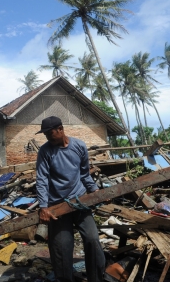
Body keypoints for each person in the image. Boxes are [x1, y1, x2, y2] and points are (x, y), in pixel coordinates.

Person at [35, 116, 105, 282]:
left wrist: (96, 191)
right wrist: (44, 206)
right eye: (44, 134)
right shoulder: (45, 151)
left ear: (60, 129)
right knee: (62, 247)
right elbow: (42, 179)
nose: (47, 137)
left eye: (49, 133)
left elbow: (84, 174)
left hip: (80, 202)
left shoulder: (79, 146)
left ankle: (95, 278)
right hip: (57, 207)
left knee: (92, 239)